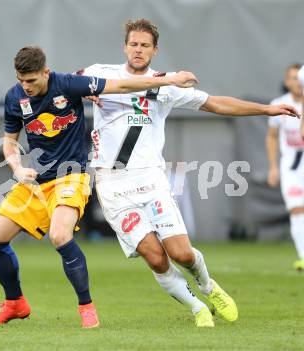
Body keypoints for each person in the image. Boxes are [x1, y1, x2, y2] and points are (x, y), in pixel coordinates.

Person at [78, 19, 300, 327]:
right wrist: (83, 90)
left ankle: (209, 286)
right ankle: (197, 308)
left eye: (145, 45)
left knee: (181, 254)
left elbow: (217, 104)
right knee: (155, 257)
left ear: (155, 50)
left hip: (151, 179)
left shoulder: (166, 86)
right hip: (112, 183)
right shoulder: (101, 74)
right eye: (133, 44)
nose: (138, 50)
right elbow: (69, 82)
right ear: (124, 46)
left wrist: (266, 110)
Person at [0, 46, 198, 328]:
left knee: (59, 235)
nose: (27, 87)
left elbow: (121, 84)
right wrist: (18, 167)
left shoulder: (68, 84)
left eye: (32, 81)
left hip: (71, 176)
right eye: (22, 81)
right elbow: (9, 140)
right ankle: (15, 303)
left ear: (45, 73)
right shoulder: (14, 97)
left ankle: (87, 308)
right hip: (36, 181)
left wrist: (169, 79)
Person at [266, 63, 304, 270]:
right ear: (287, 81)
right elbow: (271, 137)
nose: (297, 82)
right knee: (297, 209)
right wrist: (273, 166)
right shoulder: (279, 105)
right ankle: (303, 256)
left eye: (300, 78)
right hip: (291, 166)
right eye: (292, 78)